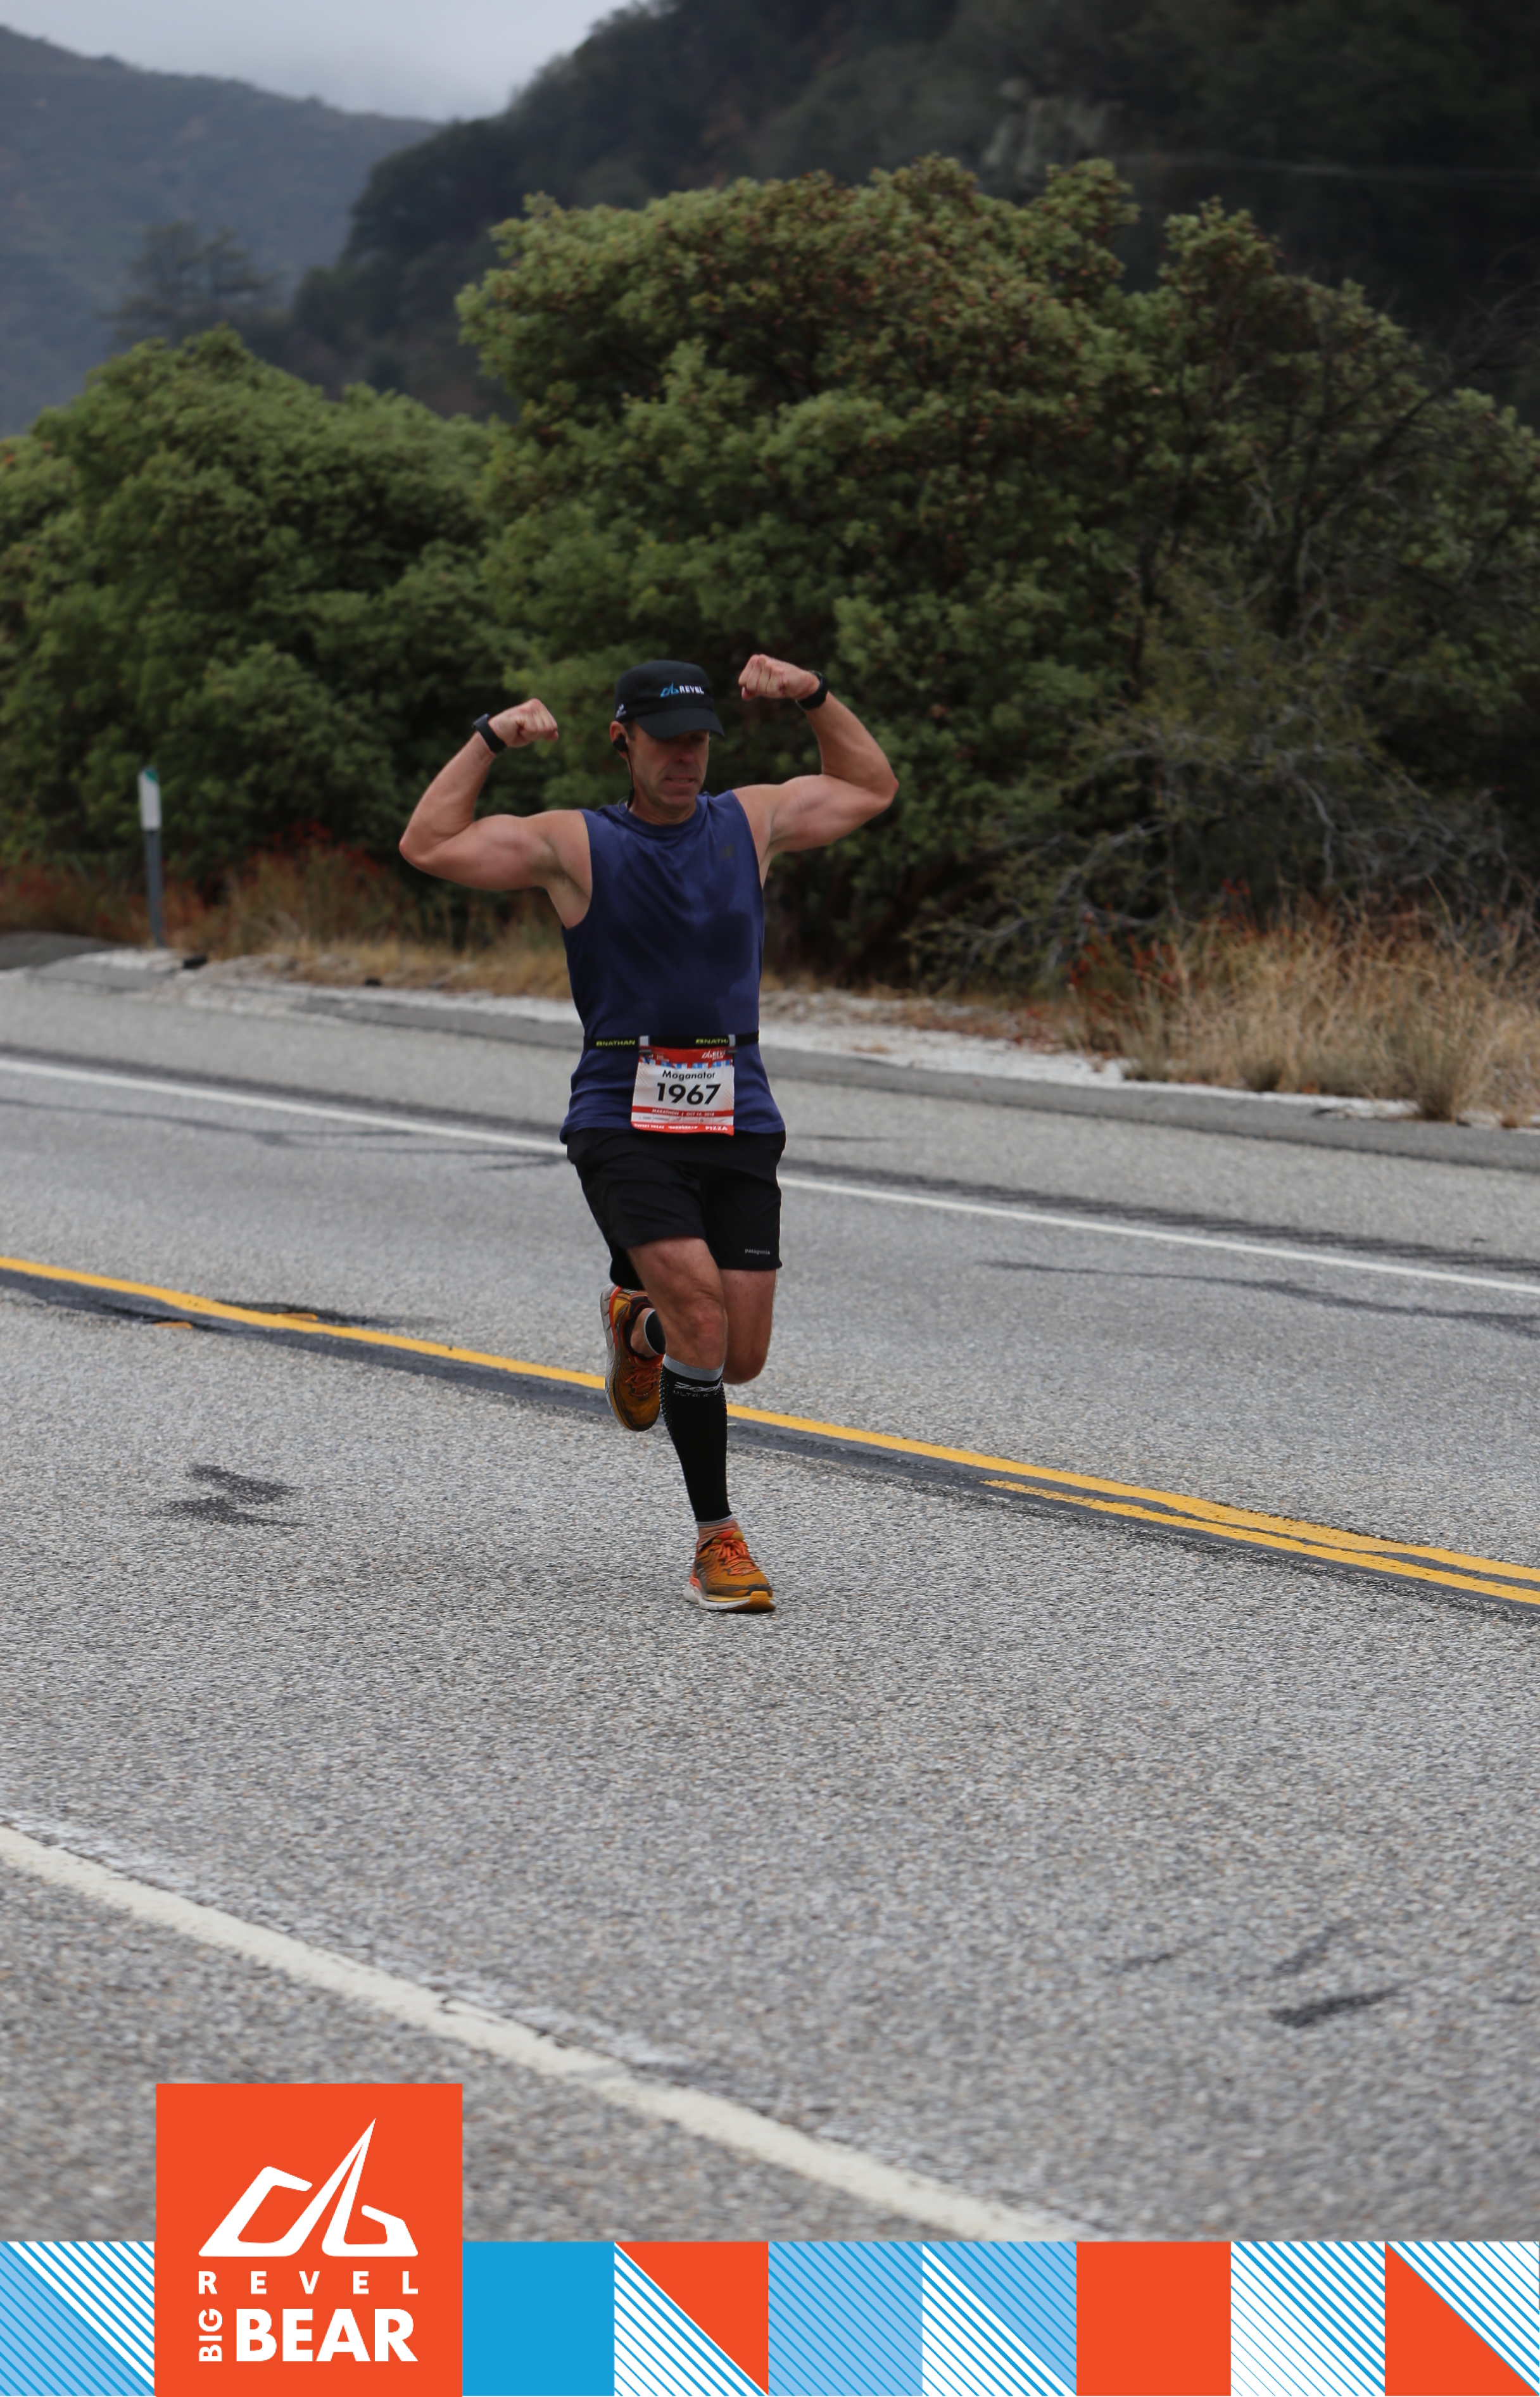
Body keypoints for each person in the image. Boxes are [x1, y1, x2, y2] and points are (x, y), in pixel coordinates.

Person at [400, 655, 897, 1612]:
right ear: (622, 742)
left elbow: (870, 787)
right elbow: (428, 842)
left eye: (699, 740)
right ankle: (717, 1539)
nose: (685, 759)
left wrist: (814, 695)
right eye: (666, 742)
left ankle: (642, 1325)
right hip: (622, 1113)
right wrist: (491, 737)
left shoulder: (750, 821)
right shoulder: (575, 844)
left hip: (737, 1106)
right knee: (705, 1321)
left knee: (736, 1352)